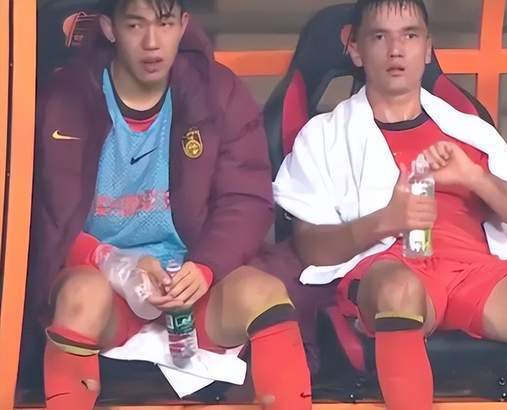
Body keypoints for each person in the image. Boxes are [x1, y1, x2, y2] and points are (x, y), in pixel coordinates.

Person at [273, 1, 507, 409]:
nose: (396, 50)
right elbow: (309, 248)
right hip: (389, 269)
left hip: (472, 272)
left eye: (410, 35)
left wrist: (475, 178)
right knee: (398, 289)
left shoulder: (467, 129)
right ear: (355, 49)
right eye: (379, 36)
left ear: (427, 48)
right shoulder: (323, 136)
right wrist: (384, 222)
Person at [28, 1, 311, 409]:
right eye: (135, 25)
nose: (151, 42)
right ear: (109, 28)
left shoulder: (217, 91)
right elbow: (41, 216)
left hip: (192, 285)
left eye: (164, 24)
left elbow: (246, 200)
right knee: (80, 296)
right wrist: (115, 264)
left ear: (183, 25)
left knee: (264, 292)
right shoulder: (65, 99)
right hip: (104, 285)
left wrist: (206, 266)